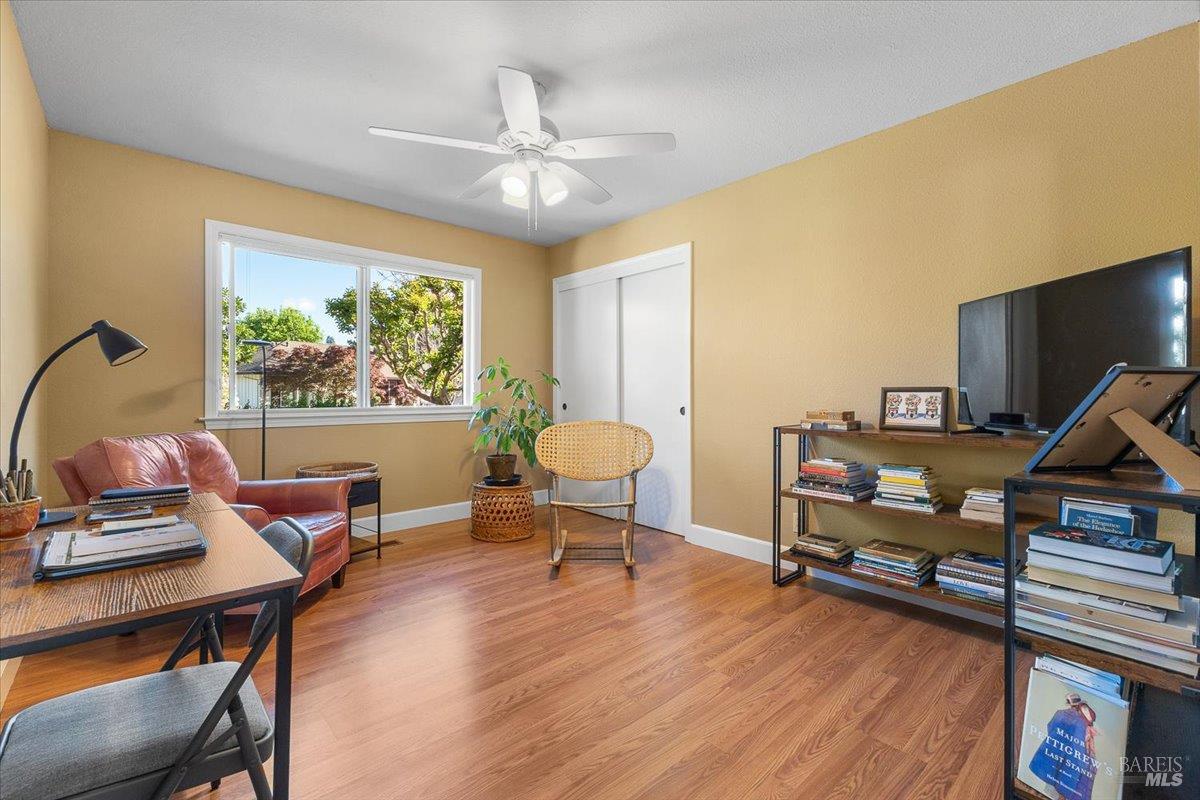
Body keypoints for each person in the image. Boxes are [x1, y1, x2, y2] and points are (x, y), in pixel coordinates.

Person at [1027, 691, 1099, 800]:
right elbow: (1079, 745)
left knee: (1053, 784)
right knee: (1062, 788)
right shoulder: (1081, 723)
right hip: (1070, 760)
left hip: (1056, 753)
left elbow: (1050, 726)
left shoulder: (1061, 714)